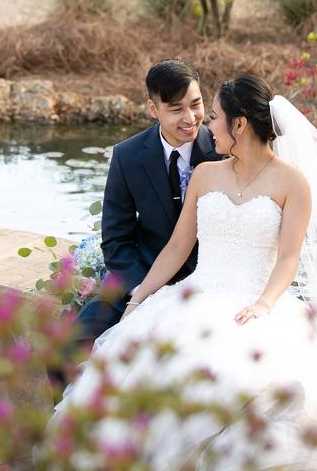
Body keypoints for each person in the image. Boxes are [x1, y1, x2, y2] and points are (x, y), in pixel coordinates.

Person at [52, 75, 317, 469]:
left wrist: (264, 304)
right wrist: (139, 297)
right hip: (194, 296)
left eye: (215, 117)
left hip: (253, 302)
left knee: (230, 378)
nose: (207, 126)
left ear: (239, 124)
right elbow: (176, 248)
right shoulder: (207, 175)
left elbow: (289, 258)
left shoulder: (293, 183)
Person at [74, 59, 220, 344]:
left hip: (210, 286)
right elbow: (116, 239)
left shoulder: (224, 150)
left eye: (195, 104)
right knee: (71, 343)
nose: (190, 118)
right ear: (154, 110)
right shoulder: (127, 156)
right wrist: (143, 289)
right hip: (144, 280)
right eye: (176, 109)